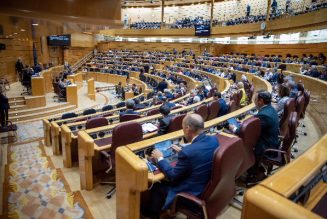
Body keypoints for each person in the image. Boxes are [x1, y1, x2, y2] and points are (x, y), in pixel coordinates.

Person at [143, 114, 219, 218]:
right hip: (207, 186)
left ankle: (152, 214)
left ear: (187, 129)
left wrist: (160, 158)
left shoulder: (188, 152)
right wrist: (183, 151)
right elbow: (199, 154)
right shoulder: (214, 140)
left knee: (157, 185)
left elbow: (172, 176)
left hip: (191, 192)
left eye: (183, 128)